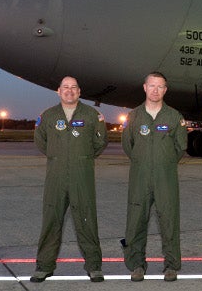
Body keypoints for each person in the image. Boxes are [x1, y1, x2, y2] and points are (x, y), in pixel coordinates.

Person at [30, 76, 108, 283]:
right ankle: (44, 266)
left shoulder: (92, 115)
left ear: (79, 92)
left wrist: (81, 157)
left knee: (87, 220)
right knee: (51, 221)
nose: (69, 90)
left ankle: (94, 266)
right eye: (65, 87)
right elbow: (41, 141)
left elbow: (100, 142)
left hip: (82, 176)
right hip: (55, 177)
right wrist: (58, 156)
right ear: (59, 91)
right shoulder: (48, 116)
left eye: (74, 87)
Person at [120, 72, 187, 282]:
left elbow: (180, 146)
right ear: (145, 87)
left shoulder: (174, 117)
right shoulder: (134, 116)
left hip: (166, 177)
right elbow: (128, 145)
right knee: (136, 221)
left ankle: (171, 266)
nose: (155, 90)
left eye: (160, 86)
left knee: (169, 221)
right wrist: (143, 161)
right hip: (139, 177)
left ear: (165, 90)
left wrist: (163, 162)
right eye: (152, 86)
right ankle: (137, 265)